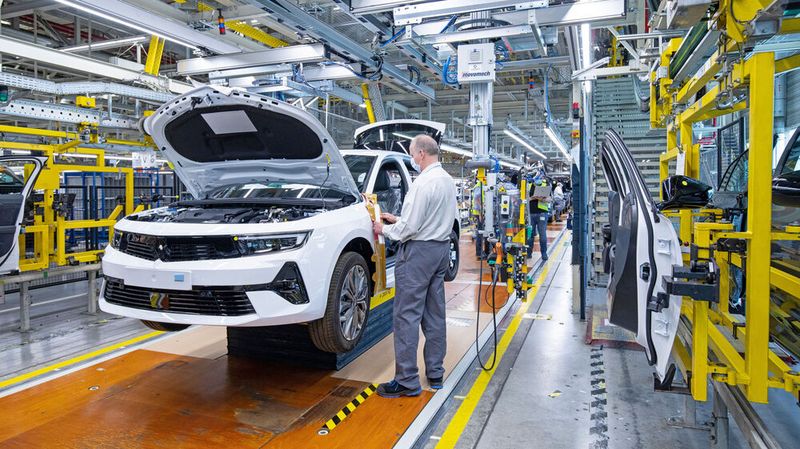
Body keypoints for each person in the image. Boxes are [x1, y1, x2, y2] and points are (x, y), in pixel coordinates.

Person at [372, 134, 457, 398]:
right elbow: (426, 218)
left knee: (406, 316)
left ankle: (407, 381)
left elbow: (409, 229)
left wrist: (383, 228)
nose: (412, 157)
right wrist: (397, 218)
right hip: (440, 251)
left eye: (411, 152)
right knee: (434, 314)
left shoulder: (423, 183)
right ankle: (435, 373)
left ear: (421, 153)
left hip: (419, 254)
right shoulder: (446, 180)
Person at [528, 169, 551, 261]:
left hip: (542, 213)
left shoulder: (545, 185)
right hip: (530, 214)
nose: (539, 178)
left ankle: (544, 253)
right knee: (530, 235)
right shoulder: (529, 186)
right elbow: (525, 198)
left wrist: (542, 199)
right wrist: (532, 197)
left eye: (540, 176)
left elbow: (550, 199)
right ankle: (529, 253)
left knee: (542, 235)